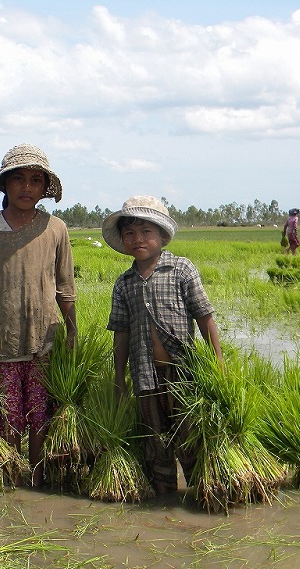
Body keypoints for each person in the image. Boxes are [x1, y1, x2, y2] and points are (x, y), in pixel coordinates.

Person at [0, 143, 77, 488]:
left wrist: (73, 333)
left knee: (41, 416)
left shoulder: (55, 229)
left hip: (44, 340)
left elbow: (65, 288)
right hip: (0, 339)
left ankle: (38, 482)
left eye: (35, 180)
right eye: (18, 179)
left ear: (45, 187)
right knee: (8, 417)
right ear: (4, 185)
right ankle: (12, 482)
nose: (26, 187)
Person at [102, 195, 223, 496]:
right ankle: (165, 499)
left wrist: (218, 365)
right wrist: (119, 378)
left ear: (162, 235)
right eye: (129, 233)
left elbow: (204, 318)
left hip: (182, 374)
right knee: (155, 442)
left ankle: (202, 495)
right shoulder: (124, 282)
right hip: (144, 375)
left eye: (146, 232)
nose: (137, 239)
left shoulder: (181, 270)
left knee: (191, 437)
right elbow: (121, 334)